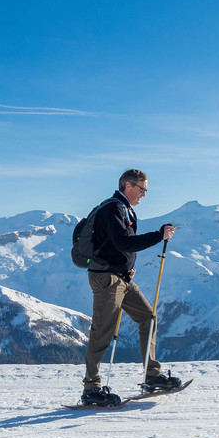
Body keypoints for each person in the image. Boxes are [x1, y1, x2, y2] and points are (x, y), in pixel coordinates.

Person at [79, 169, 181, 406]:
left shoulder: (125, 210)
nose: (144, 195)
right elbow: (122, 241)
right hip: (107, 280)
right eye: (142, 189)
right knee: (102, 331)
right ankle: (91, 388)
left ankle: (152, 375)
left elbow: (117, 246)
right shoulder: (113, 208)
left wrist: (126, 267)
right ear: (128, 185)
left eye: (146, 190)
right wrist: (158, 235)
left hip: (121, 278)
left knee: (149, 317)